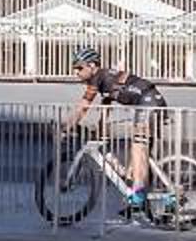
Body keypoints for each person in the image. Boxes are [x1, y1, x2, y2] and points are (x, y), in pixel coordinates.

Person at [65, 47, 173, 215]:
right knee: (133, 168)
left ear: (92, 66)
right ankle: (146, 198)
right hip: (148, 102)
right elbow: (106, 105)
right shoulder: (104, 79)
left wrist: (66, 126)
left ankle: (139, 196)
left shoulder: (98, 77)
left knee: (138, 148)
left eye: (79, 68)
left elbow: (83, 106)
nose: (76, 72)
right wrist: (100, 127)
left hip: (148, 102)